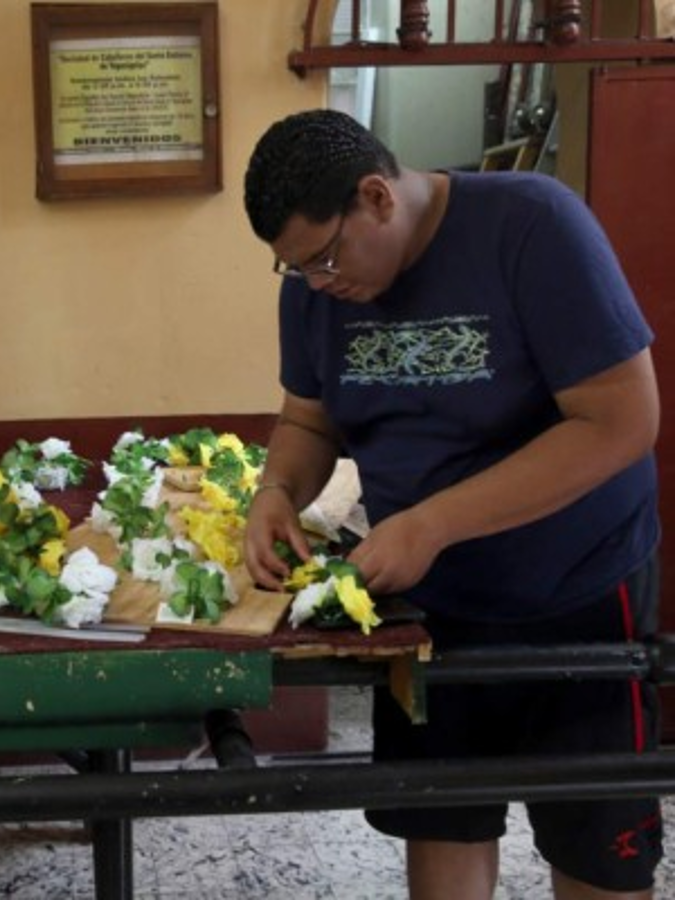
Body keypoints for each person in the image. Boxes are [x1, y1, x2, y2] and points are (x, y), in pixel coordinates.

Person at [241, 108, 663, 900]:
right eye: (295, 269)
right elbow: (307, 417)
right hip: (427, 606)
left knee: (595, 842)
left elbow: (622, 419)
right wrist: (276, 491)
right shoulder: (316, 286)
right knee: (440, 818)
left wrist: (433, 522)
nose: (319, 284)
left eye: (324, 258)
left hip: (571, 590)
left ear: (376, 196)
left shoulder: (532, 226)